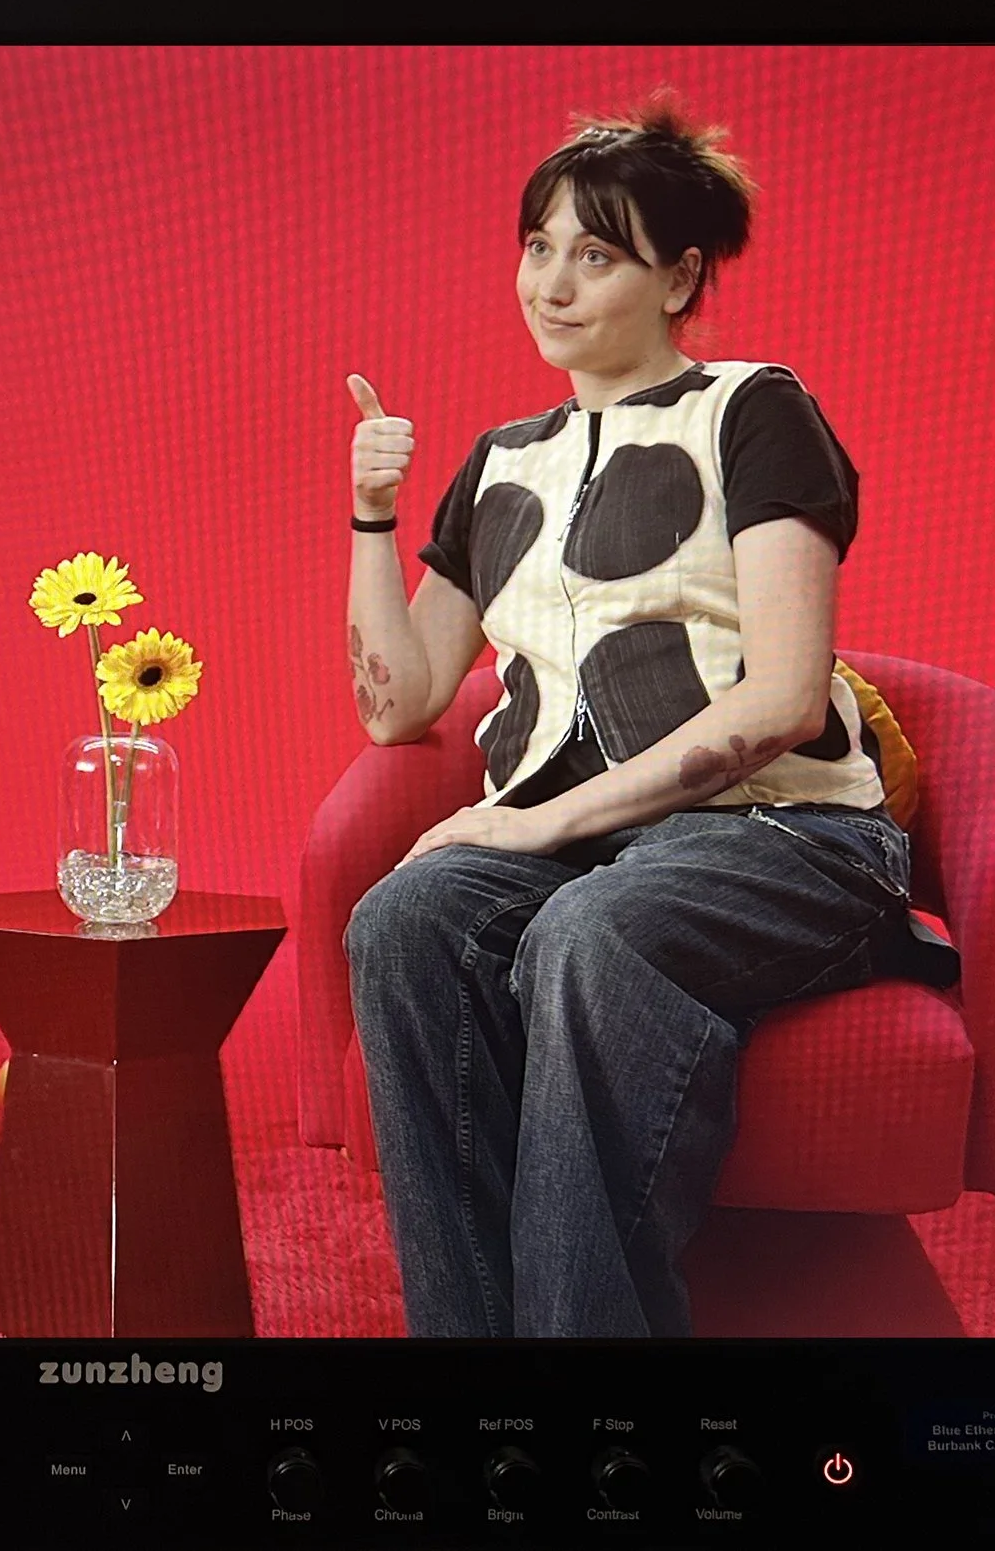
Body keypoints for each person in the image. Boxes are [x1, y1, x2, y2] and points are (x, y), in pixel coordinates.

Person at [340, 91, 931, 1338]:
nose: (551, 285)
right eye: (538, 246)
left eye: (595, 254)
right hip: (585, 850)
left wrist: (530, 831)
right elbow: (401, 709)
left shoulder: (753, 410)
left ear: (680, 276)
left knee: (589, 932)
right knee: (403, 920)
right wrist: (373, 517)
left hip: (776, 840)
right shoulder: (498, 462)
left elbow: (775, 702)